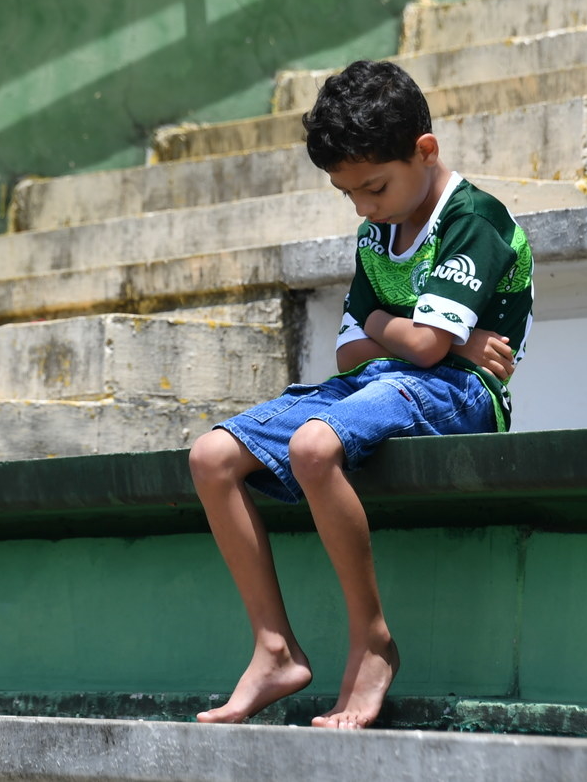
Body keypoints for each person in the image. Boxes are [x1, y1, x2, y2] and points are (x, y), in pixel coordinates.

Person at [189, 59, 534, 729]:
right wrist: (421, 332)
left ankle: (372, 640)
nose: (363, 207)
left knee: (314, 446)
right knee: (210, 456)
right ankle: (274, 647)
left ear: (424, 151)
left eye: (373, 187)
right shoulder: (378, 229)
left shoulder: (474, 217)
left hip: (462, 393)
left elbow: (430, 353)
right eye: (349, 194)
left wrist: (417, 335)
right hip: (380, 381)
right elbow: (352, 350)